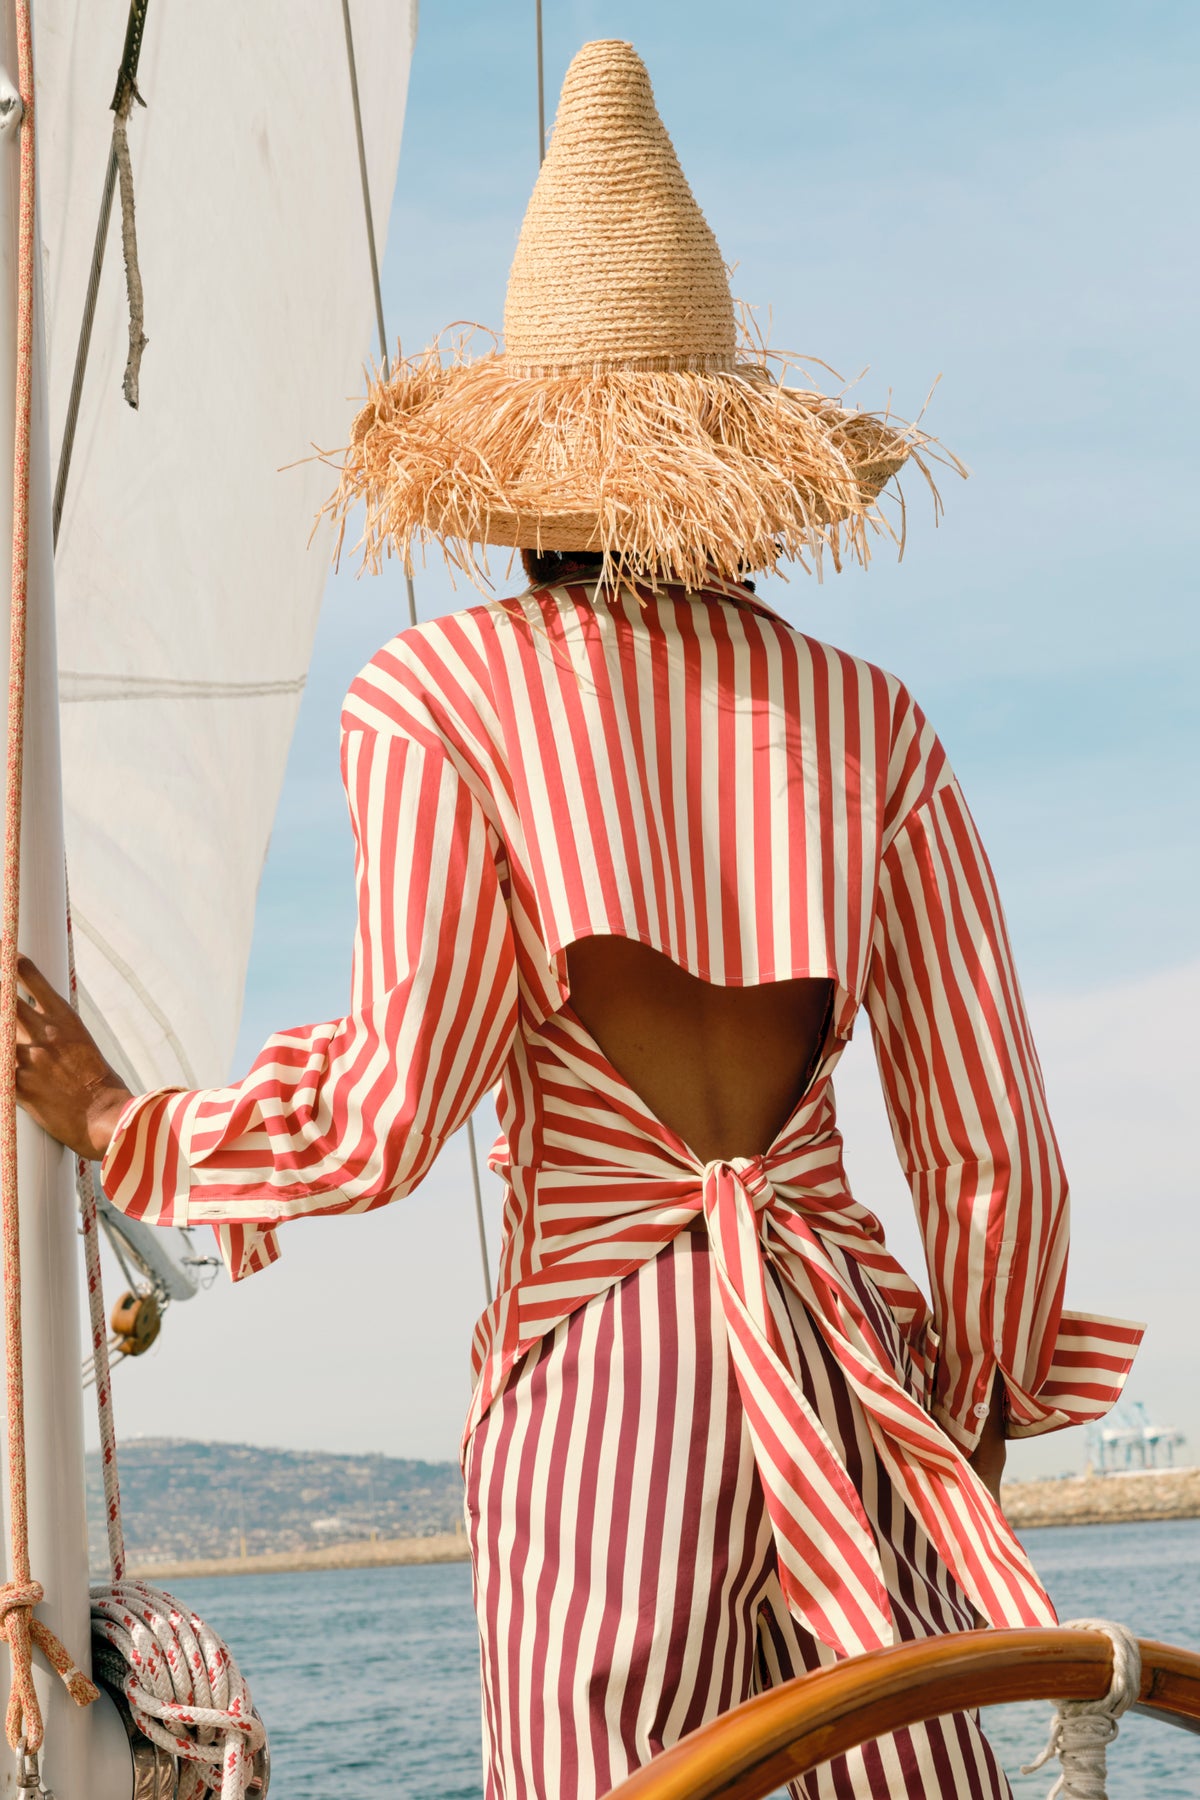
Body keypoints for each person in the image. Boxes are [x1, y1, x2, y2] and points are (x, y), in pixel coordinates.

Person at [15, 39, 1142, 1800]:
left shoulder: (440, 700)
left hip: (602, 1385)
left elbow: (395, 1112)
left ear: (518, 470)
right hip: (843, 1363)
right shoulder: (873, 724)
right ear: (728, 457)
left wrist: (119, 1123)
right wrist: (971, 1419)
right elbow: (998, 1162)